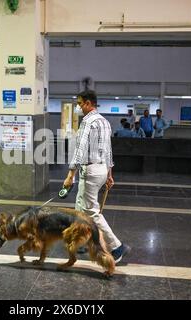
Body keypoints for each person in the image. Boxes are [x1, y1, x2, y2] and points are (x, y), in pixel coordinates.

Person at [63, 90, 130, 263]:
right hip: (101, 170)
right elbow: (108, 150)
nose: (78, 107)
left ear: (87, 103)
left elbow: (79, 149)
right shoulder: (105, 122)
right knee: (80, 207)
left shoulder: (87, 122)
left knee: (92, 212)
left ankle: (116, 247)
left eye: (79, 104)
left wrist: (70, 174)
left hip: (90, 171)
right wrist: (109, 174)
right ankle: (82, 241)